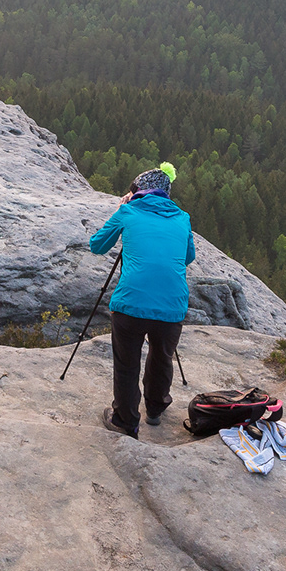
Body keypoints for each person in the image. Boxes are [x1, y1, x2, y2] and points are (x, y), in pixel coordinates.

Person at [89, 162, 194, 437]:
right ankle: (156, 409)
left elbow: (97, 245)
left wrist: (121, 212)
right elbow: (188, 257)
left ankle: (125, 421)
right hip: (172, 306)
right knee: (162, 357)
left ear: (137, 192)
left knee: (127, 363)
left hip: (131, 304)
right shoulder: (183, 218)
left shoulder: (128, 211)